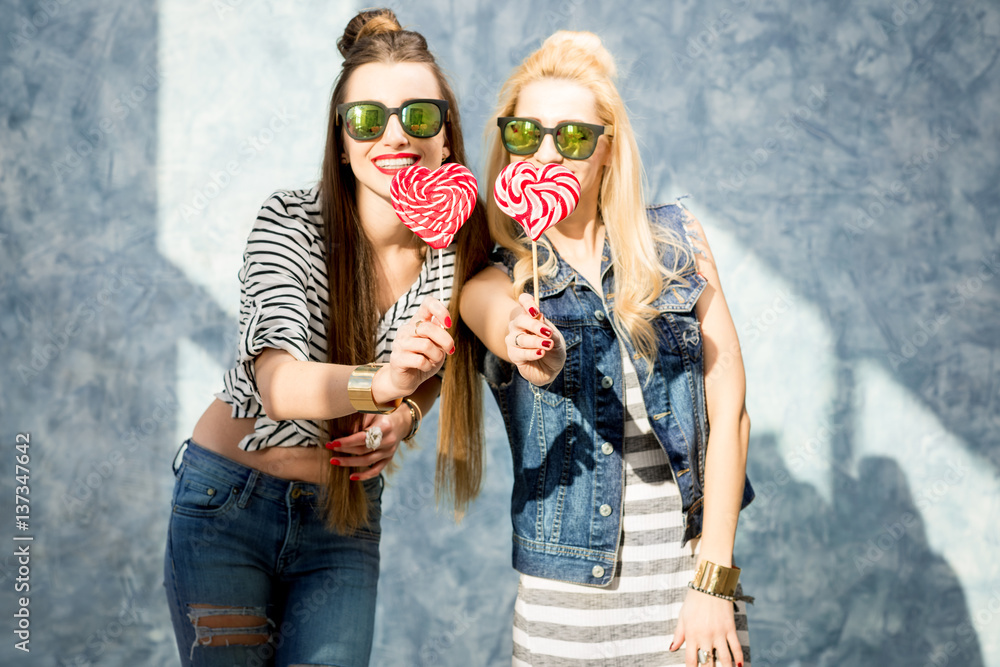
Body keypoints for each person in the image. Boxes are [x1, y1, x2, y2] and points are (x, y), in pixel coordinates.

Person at [163, 9, 490, 666]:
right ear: (342, 142)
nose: (395, 135)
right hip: (228, 503)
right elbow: (278, 383)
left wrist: (403, 413)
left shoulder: (458, 253)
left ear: (447, 137)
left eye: (419, 116)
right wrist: (385, 383)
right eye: (368, 119)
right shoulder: (289, 221)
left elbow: (439, 369)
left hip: (343, 520)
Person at [456, 31, 755, 666]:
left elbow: (729, 412)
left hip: (692, 594)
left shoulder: (677, 243)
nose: (545, 152)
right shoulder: (495, 274)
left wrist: (714, 579)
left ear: (607, 153)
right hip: (569, 613)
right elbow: (496, 320)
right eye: (525, 133)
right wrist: (523, 340)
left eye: (571, 137)